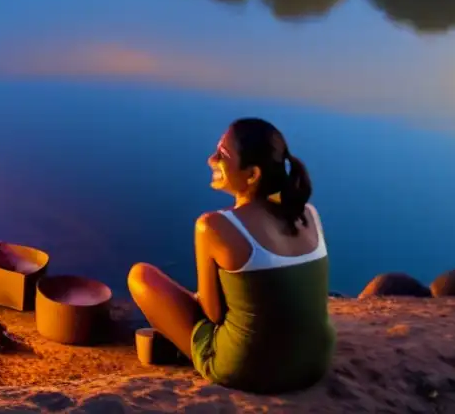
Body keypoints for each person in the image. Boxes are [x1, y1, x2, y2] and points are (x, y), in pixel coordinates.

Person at [128, 118, 334, 394]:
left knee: (141, 276)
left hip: (246, 370)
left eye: (222, 155)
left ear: (252, 175)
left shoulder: (215, 226)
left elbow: (213, 315)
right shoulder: (309, 214)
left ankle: (186, 352)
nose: (210, 159)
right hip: (313, 365)